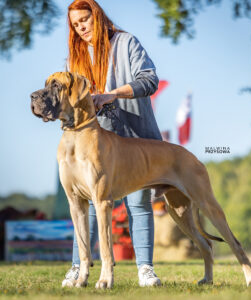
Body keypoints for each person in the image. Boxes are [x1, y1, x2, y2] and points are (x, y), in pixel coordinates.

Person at [62, 0, 163, 287]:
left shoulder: (126, 42)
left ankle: (145, 269)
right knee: (90, 205)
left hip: (136, 136)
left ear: (97, 15)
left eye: (85, 19)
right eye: (75, 24)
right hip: (96, 144)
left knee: (139, 202)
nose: (81, 27)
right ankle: (77, 267)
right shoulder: (75, 57)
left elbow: (150, 81)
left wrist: (111, 94)